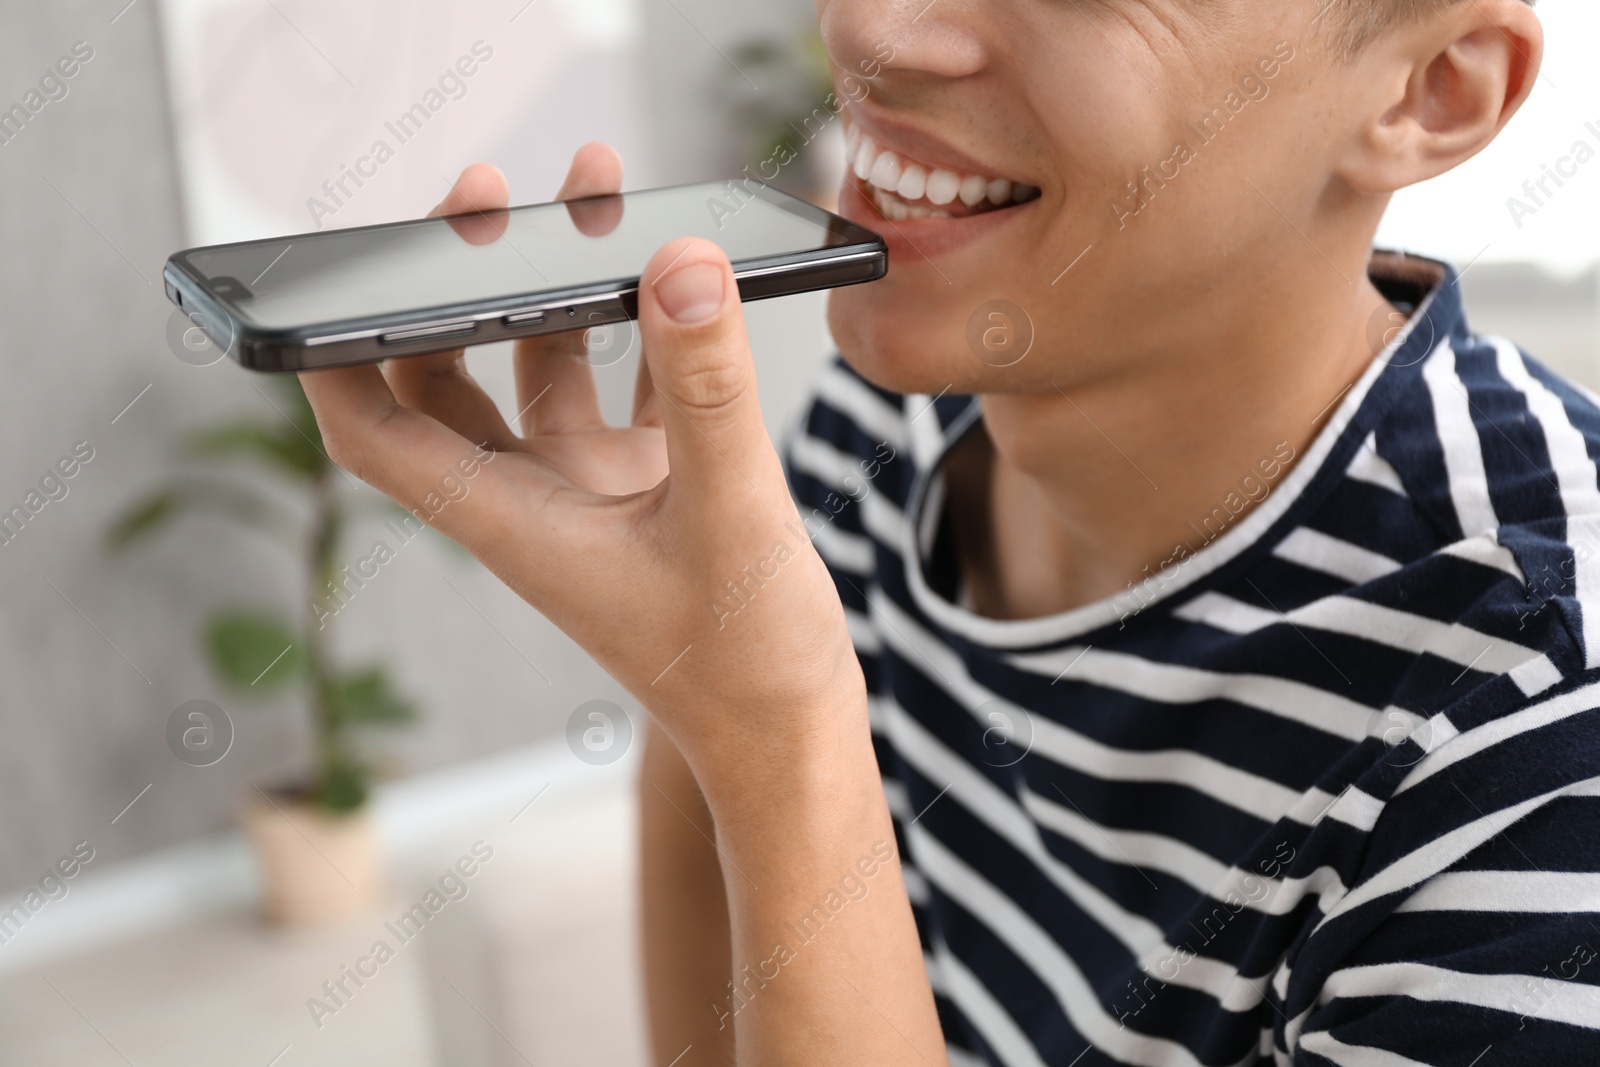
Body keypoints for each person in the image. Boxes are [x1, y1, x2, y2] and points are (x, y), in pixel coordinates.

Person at [299, 0, 1600, 1062]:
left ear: (1433, 88)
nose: (873, 31)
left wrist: (776, 736)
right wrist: (711, 693)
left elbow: (762, 765)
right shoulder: (889, 424)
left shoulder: (1541, 721)